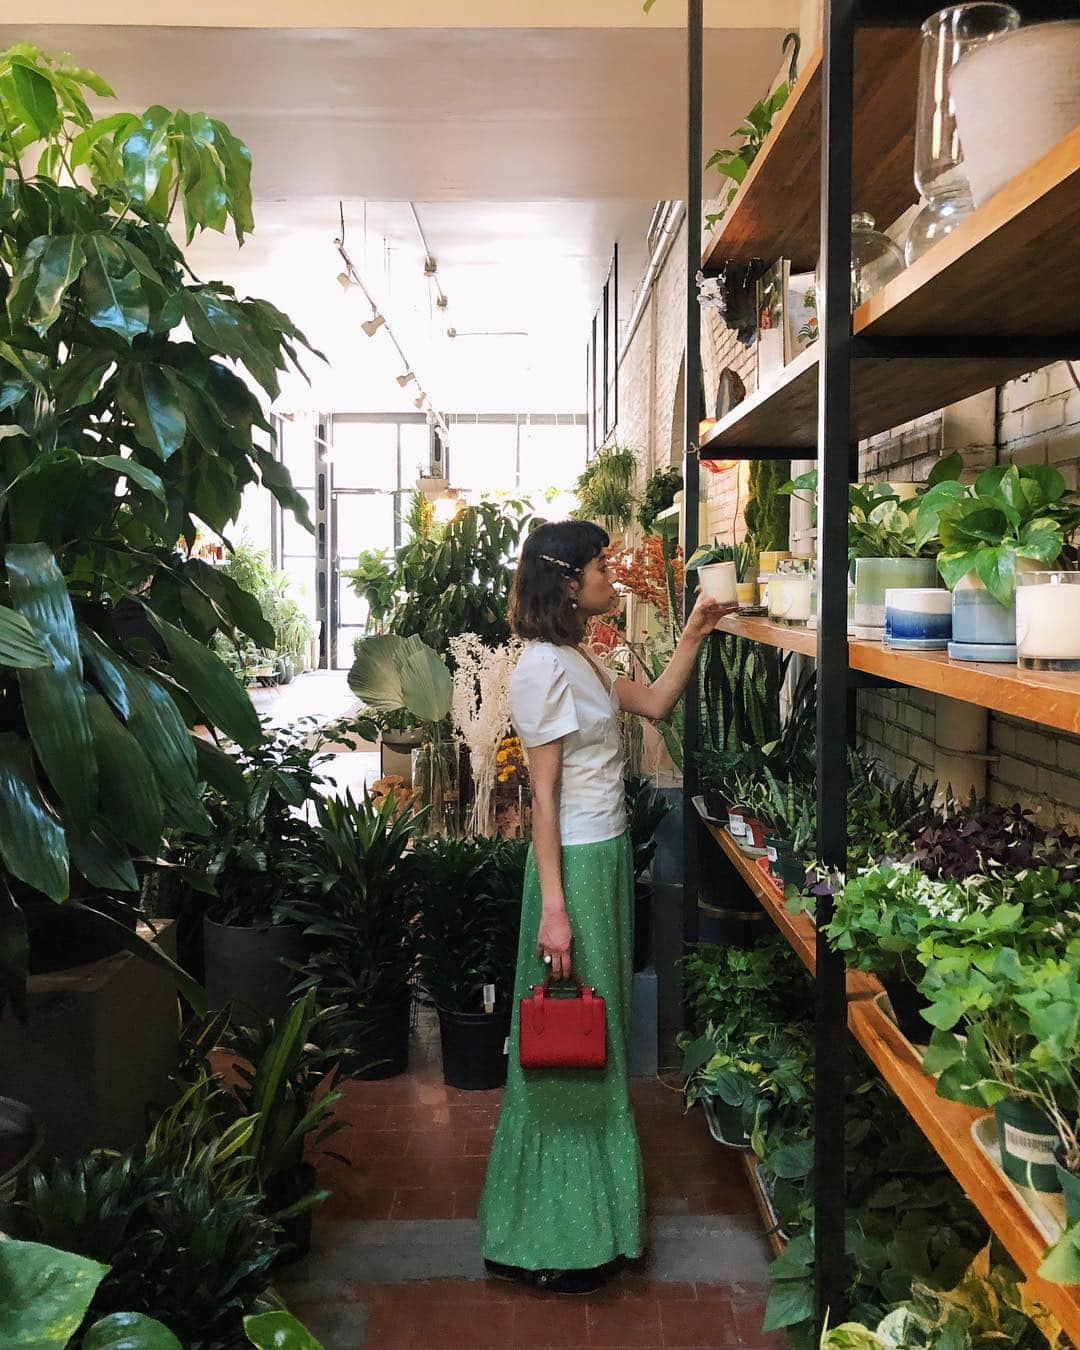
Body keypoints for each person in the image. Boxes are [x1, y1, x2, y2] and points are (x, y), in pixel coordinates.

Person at [477, 518, 732, 1295]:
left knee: (603, 1033)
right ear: (564, 580)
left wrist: (694, 629)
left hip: (605, 859)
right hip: (574, 869)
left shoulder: (581, 656)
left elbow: (654, 703)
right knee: (571, 1041)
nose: (609, 578)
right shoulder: (541, 672)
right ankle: (551, 1237)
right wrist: (554, 911)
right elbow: (543, 803)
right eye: (597, 567)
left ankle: (597, 1223)